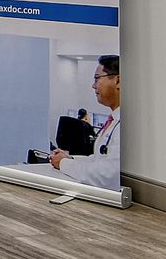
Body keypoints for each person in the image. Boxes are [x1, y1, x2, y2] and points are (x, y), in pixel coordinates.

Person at [51, 55, 119, 188]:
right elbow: (98, 160)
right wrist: (70, 159)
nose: (93, 86)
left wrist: (64, 163)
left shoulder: (126, 125)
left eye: (97, 78)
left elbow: (109, 175)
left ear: (118, 81)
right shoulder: (114, 120)